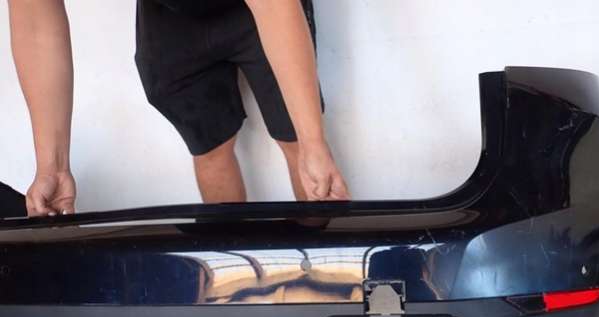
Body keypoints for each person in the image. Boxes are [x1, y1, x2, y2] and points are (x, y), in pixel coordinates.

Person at [8, 0, 350, 217]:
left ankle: (322, 273)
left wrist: (313, 141)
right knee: (210, 147)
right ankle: (235, 271)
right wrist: (52, 166)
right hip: (170, 16)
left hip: (262, 9)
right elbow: (35, 22)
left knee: (299, 145)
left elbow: (272, 6)